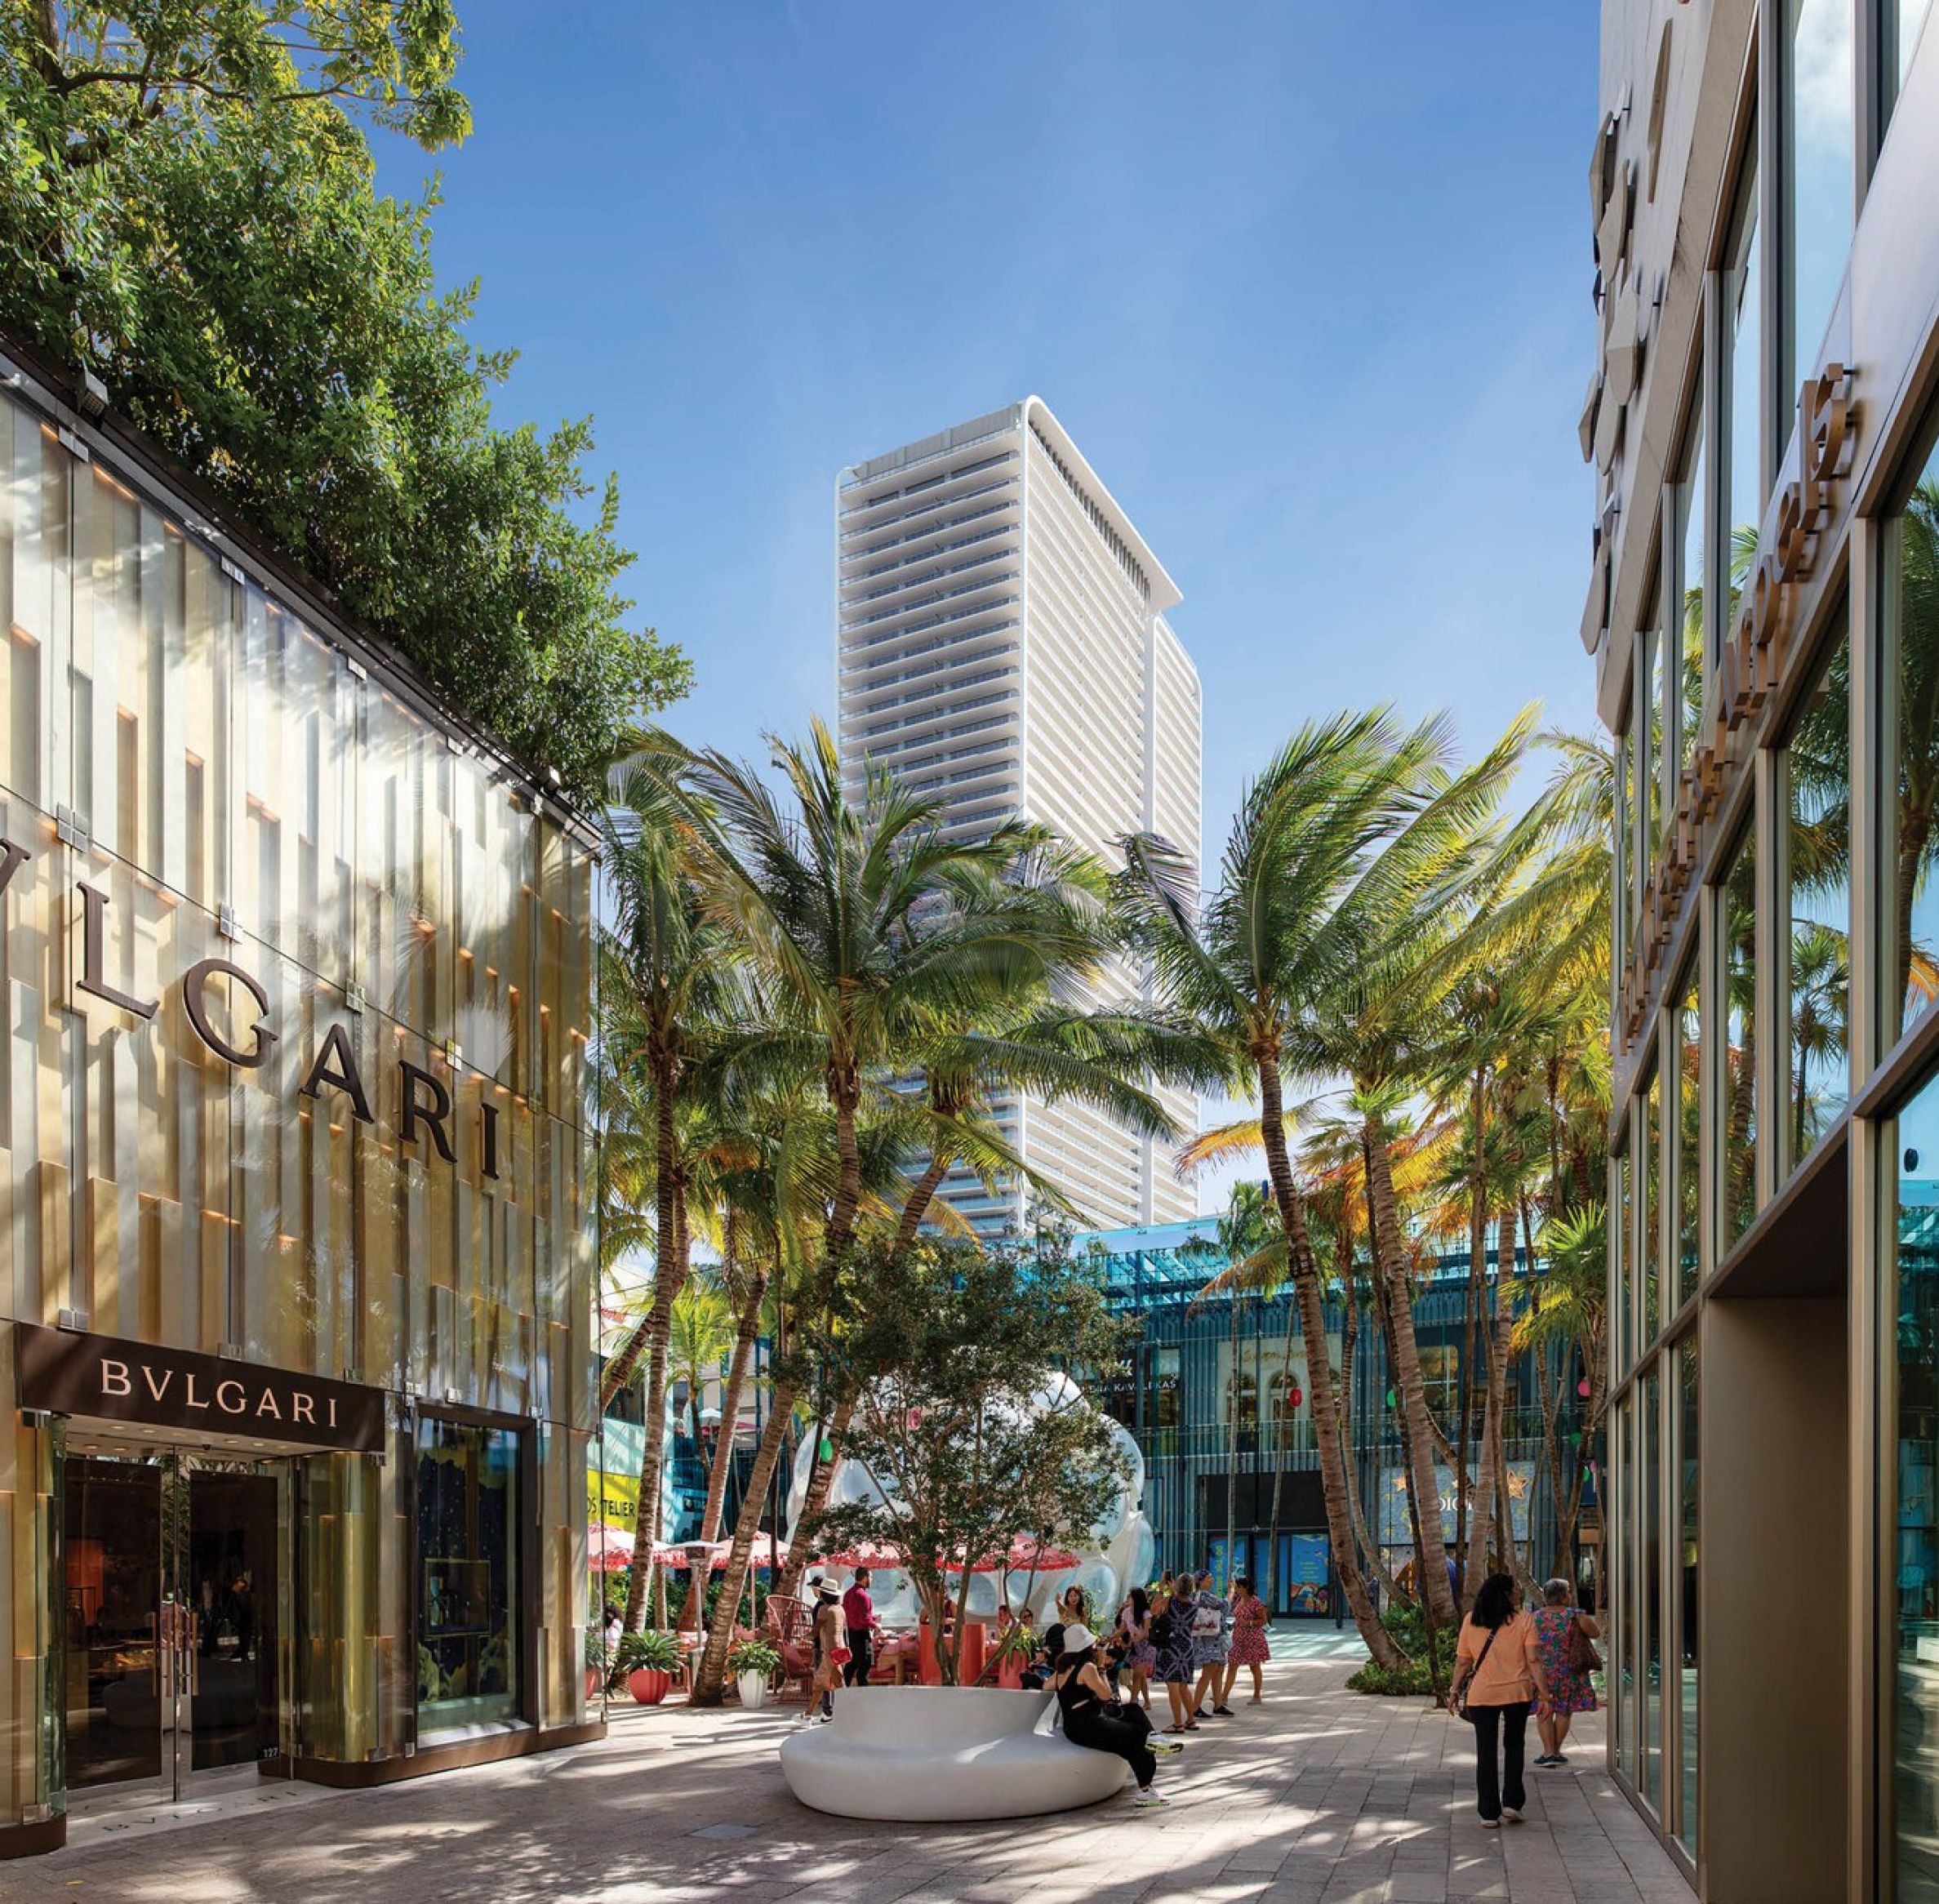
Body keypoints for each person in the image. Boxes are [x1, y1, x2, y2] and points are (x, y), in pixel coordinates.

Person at [1448, 1572, 1554, 1827]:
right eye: (1515, 1589)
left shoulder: (1471, 1620)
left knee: (1485, 1752)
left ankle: (1488, 1813)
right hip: (1517, 1693)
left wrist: (1454, 1691)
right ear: (1506, 1594)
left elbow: (1463, 1661)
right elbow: (1534, 1660)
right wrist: (1545, 1695)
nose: (1518, 1593)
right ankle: (1512, 1804)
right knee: (1514, 1746)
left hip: (1482, 1695)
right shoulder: (1524, 1620)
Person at [1049, 1622, 1181, 1809]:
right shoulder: (1087, 1667)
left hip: (1076, 1724)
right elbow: (1106, 1695)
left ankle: (1153, 1738)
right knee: (1137, 1736)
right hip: (1089, 1723)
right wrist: (1102, 1667)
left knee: (1133, 1709)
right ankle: (1146, 1789)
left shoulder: (1062, 1670)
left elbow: (1046, 1685)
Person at [1530, 1576, 1600, 1766]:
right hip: (1569, 1671)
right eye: (1568, 1592)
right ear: (1563, 1597)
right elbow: (1595, 1633)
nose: (1570, 1595)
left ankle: (1548, 1753)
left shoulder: (1534, 1618)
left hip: (1541, 1671)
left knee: (1543, 1710)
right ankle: (1556, 1752)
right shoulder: (1575, 1616)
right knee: (1564, 1711)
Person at [1150, 1588, 1197, 1732]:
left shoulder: (1170, 1601)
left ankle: (1178, 1724)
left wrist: (1164, 1591)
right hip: (1186, 1646)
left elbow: (1153, 1611)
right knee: (1183, 1685)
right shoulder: (1193, 1604)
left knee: (1173, 1686)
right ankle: (1191, 1720)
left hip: (1170, 1646)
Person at [802, 1577, 848, 1724]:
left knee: (825, 1685)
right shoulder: (840, 1609)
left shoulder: (824, 1609)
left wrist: (804, 1637)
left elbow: (815, 1632)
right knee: (830, 1684)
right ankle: (810, 1714)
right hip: (841, 1650)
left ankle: (813, 1715)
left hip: (829, 1652)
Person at [1189, 1571, 1231, 1719]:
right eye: (1208, 1578)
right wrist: (1231, 1592)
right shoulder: (1204, 1595)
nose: (1212, 1580)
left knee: (1218, 1670)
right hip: (1208, 1639)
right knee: (1209, 1671)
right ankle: (1195, 1707)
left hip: (1213, 1638)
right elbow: (1224, 1606)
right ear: (1200, 1581)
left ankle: (1218, 1704)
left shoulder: (1198, 1595)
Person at [1223, 1576, 1269, 1706]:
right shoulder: (1239, 1600)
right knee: (1232, 1665)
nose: (1237, 1590)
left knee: (1254, 1667)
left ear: (1246, 1588)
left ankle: (1257, 1695)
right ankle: (1224, 1696)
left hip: (1253, 1639)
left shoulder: (1256, 1602)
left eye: (1239, 1587)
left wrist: (1249, 1623)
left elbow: (1263, 1620)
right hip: (1238, 1638)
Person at [1117, 1586, 1155, 1710]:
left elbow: (1145, 1631)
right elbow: (1122, 1629)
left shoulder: (1146, 1613)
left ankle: (1132, 1702)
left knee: (1137, 1675)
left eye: (1130, 1597)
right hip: (1135, 1646)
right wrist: (1111, 1637)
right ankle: (1147, 1702)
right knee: (1141, 1676)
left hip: (1146, 1646)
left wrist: (1137, 1639)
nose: (1128, 1599)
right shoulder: (1126, 1612)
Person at [841, 1568, 878, 1688]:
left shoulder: (848, 1594)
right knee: (865, 1663)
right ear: (865, 1578)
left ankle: (843, 1689)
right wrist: (876, 1625)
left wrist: (872, 1619)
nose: (871, 1580)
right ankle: (863, 1691)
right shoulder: (863, 1596)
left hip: (850, 1634)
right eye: (870, 1577)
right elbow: (864, 1619)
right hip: (861, 1634)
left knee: (852, 1663)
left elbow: (854, 1615)